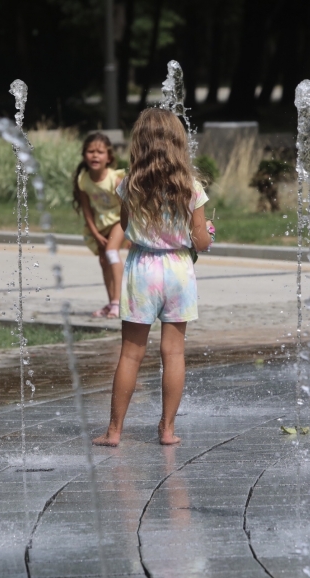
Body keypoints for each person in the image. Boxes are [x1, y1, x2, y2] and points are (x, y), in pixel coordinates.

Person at [92, 108, 214, 447]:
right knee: (173, 353)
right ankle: (167, 429)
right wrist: (207, 234)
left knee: (131, 353)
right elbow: (201, 240)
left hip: (143, 268)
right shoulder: (191, 187)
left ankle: (114, 431)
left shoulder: (128, 185)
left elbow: (127, 225)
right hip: (177, 269)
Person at [73, 133, 125, 318]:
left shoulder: (115, 179)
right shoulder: (84, 180)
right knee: (104, 261)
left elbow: (127, 207)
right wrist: (95, 233)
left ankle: (118, 303)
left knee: (112, 252)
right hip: (101, 224)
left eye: (100, 152)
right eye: (90, 151)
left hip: (120, 220)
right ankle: (112, 302)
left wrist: (134, 231)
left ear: (109, 157)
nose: (95, 155)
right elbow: (87, 210)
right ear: (84, 155)